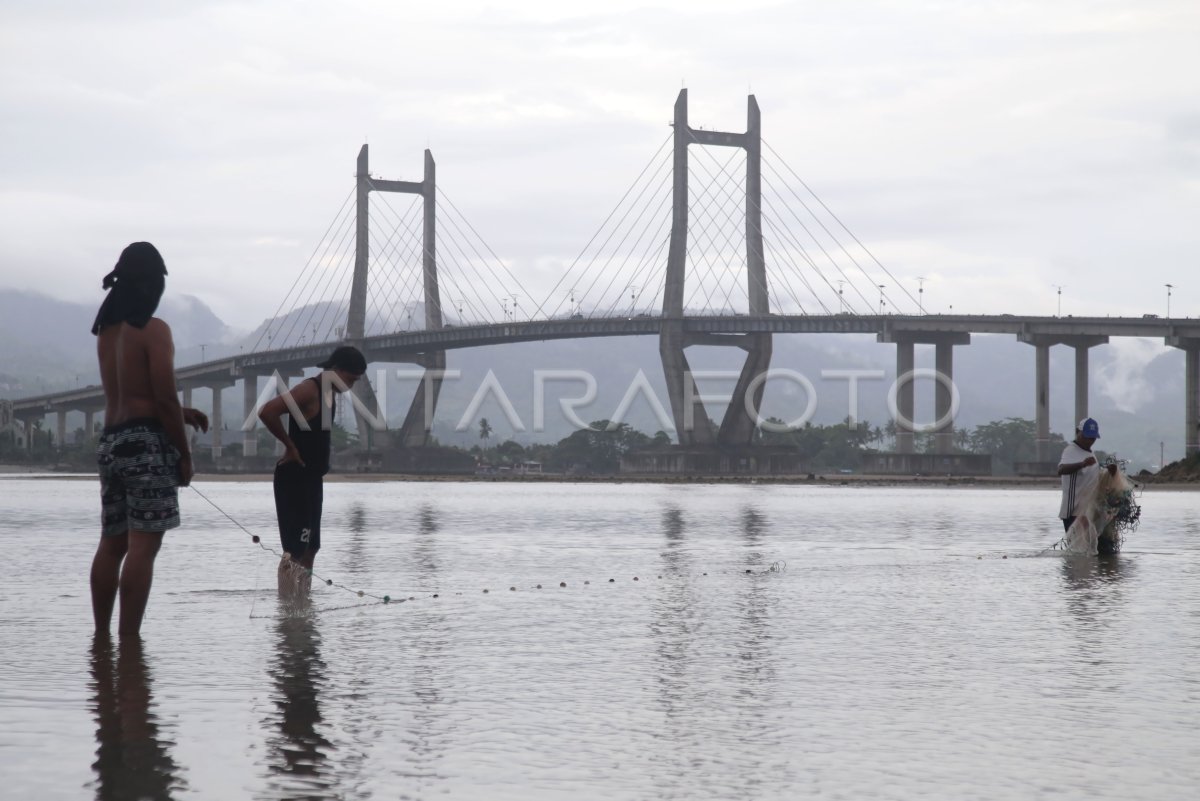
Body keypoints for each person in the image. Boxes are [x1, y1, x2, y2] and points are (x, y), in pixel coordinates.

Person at [91, 241, 209, 636]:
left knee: (112, 543)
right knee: (144, 546)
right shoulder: (155, 331)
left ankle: (102, 640)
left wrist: (182, 415)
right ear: (153, 286)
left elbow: (134, 394)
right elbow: (161, 395)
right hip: (144, 444)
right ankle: (130, 644)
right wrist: (185, 455)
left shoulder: (106, 332)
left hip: (111, 441)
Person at [259, 345, 366, 583]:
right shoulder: (309, 390)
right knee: (294, 552)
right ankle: (287, 611)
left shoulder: (329, 394)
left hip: (312, 480)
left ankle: (302, 610)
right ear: (336, 370)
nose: (351, 386)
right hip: (294, 480)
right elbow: (268, 411)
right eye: (350, 379)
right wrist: (290, 446)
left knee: (310, 549)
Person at [1057, 416, 1118, 554]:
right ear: (1078, 432)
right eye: (1087, 437)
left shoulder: (1090, 453)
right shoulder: (1071, 451)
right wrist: (1081, 464)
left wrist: (1109, 472)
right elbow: (1061, 470)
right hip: (1073, 511)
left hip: (1088, 510)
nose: (1090, 441)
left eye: (1092, 438)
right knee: (1080, 551)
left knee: (1092, 550)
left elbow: (1093, 478)